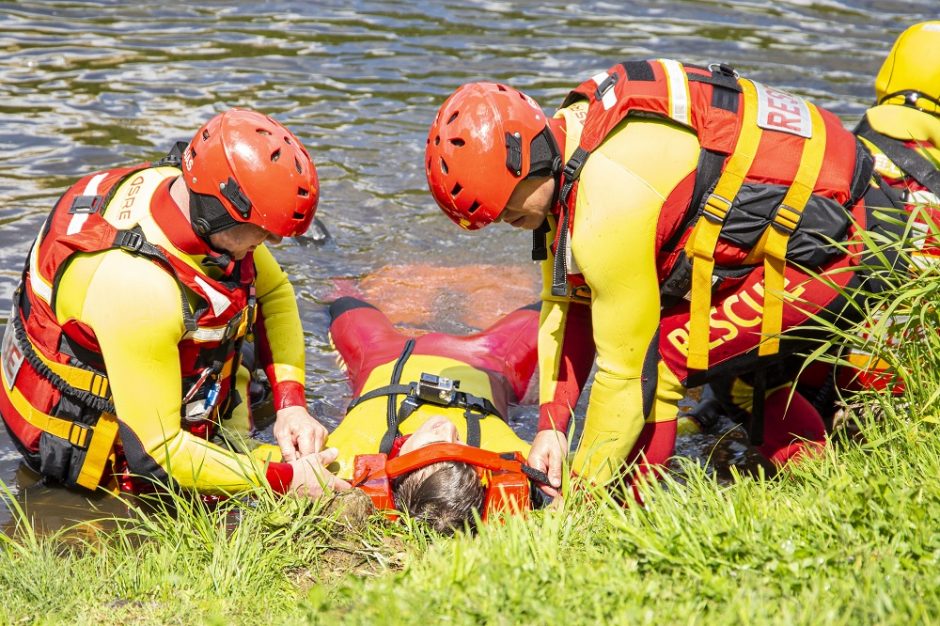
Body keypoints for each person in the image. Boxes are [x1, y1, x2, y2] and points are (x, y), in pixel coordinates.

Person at [424, 60, 904, 493]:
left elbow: (626, 376)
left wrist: (580, 491)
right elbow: (567, 303)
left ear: (525, 159)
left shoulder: (607, 196)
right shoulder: (569, 145)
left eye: (507, 209)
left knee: (665, 358)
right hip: (815, 227)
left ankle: (618, 518)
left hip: (843, 240)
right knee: (722, 369)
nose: (506, 221)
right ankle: (823, 477)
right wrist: (552, 423)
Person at [0, 108, 349, 498]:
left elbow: (274, 293)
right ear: (219, 210)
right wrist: (285, 482)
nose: (275, 243)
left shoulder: (185, 191)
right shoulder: (138, 286)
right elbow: (157, 453)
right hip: (103, 442)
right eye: (264, 232)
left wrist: (292, 405)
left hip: (145, 363)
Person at [325, 296, 541, 533]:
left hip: (380, 353)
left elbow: (283, 472)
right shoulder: (506, 453)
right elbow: (582, 472)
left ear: (397, 473)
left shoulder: (345, 455)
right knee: (552, 309)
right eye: (461, 448)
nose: (449, 428)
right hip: (490, 358)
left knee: (344, 302)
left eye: (434, 444)